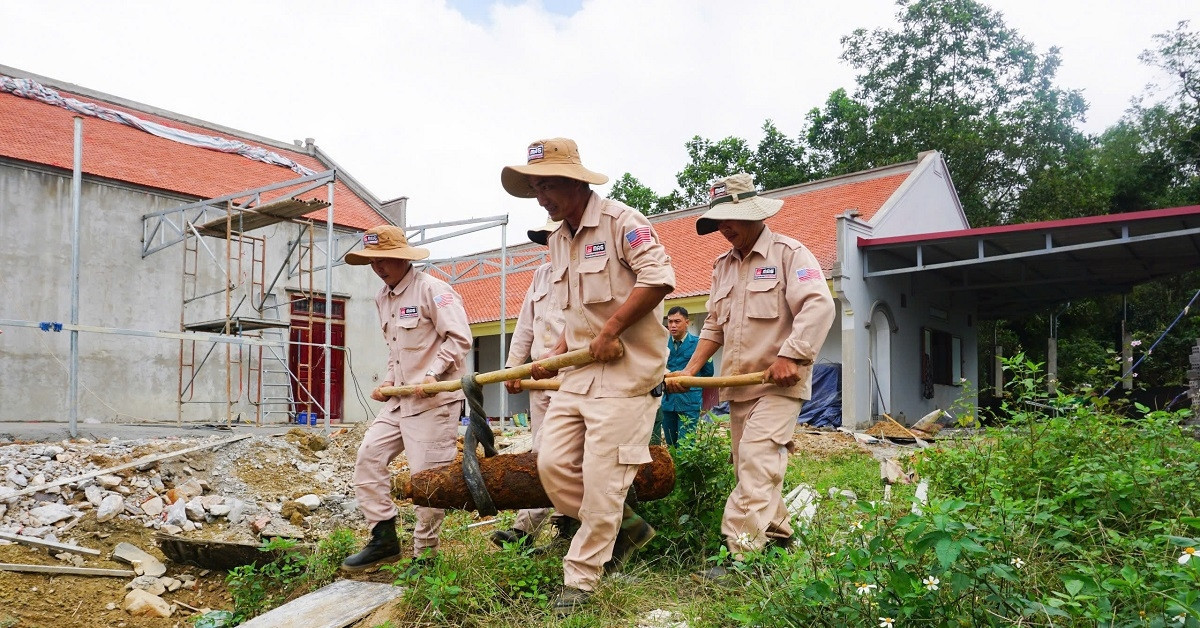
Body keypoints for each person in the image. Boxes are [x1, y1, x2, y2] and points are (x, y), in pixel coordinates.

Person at [501, 137, 676, 616]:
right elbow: (574, 313)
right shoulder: (558, 239)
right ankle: (623, 525)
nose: (540, 197)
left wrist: (614, 328)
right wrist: (556, 351)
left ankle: (582, 580)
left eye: (547, 185)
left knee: (602, 480)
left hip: (626, 376)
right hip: (578, 376)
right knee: (551, 464)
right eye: (535, 187)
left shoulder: (623, 222)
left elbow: (660, 278)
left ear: (574, 181)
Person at [667, 173, 835, 578]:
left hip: (779, 386)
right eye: (718, 221)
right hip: (739, 389)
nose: (724, 229)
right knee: (750, 465)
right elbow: (713, 327)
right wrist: (688, 371)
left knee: (758, 461)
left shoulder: (789, 254)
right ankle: (777, 536)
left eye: (731, 219)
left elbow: (819, 305)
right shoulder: (722, 266)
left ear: (754, 214)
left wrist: (792, 355)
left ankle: (741, 556)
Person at [340, 225, 473, 573]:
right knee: (368, 456)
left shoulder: (433, 290)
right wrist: (387, 382)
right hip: (400, 401)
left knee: (427, 480)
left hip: (433, 403)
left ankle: (426, 556)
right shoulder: (383, 297)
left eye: (385, 260)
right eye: (373, 262)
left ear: (402, 257)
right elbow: (395, 350)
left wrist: (434, 373)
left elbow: (459, 338)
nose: (379, 268)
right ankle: (383, 538)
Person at [492, 218, 567, 548]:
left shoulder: (584, 274)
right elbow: (525, 326)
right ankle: (548, 527)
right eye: (549, 238)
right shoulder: (540, 275)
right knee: (542, 452)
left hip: (571, 379)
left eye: (559, 237)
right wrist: (512, 368)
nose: (553, 243)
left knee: (555, 453)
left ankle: (527, 529)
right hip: (540, 383)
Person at [655, 306, 713, 446]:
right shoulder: (662, 344)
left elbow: (708, 372)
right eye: (670, 322)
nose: (673, 325)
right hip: (668, 402)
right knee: (671, 444)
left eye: (677, 321)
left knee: (686, 445)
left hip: (689, 402)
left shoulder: (698, 344)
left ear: (687, 322)